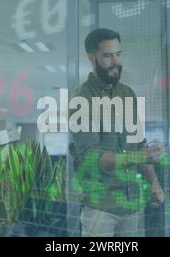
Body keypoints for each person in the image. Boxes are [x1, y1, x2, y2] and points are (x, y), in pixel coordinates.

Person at [70, 28, 165, 237]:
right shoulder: (81, 100)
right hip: (100, 210)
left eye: (118, 54)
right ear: (91, 57)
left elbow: (139, 144)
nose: (115, 61)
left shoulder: (127, 94)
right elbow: (93, 159)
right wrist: (141, 155)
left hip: (132, 205)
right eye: (107, 55)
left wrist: (155, 184)